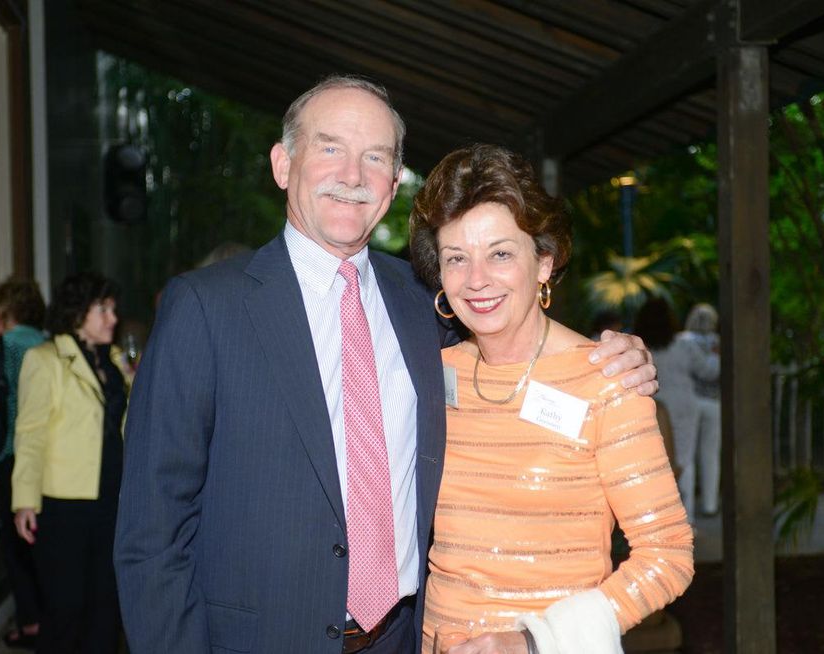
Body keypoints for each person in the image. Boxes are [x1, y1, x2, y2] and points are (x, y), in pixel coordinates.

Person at [114, 75, 657, 654]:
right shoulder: (205, 307)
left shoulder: (427, 301)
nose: (352, 175)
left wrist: (617, 356)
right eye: (330, 148)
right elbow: (152, 535)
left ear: (394, 183)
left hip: (405, 637)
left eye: (374, 157)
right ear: (282, 165)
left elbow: (519, 340)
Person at [408, 144, 692, 654]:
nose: (476, 280)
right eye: (457, 258)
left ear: (543, 261)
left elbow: (668, 555)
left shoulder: (607, 380)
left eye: (500, 253)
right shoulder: (432, 374)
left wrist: (534, 642)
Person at [12, 272, 129, 654]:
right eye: (103, 309)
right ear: (78, 312)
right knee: (65, 611)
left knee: (106, 610)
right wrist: (25, 501)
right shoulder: (45, 359)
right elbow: (29, 434)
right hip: (65, 505)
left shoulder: (115, 363)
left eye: (112, 308)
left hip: (112, 501)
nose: (113, 317)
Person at [0, 277, 46, 650]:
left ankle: (31, 622)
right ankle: (53, 615)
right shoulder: (49, 344)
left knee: (17, 544)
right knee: (46, 539)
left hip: (12, 453)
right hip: (49, 456)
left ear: (3, 311)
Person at [634, 297, 719, 523]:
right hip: (683, 406)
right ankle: (687, 520)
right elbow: (708, 371)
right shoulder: (683, 345)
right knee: (684, 461)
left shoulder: (638, 346)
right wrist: (717, 354)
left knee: (654, 462)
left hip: (652, 404)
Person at [682, 303, 721, 516]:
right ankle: (710, 504)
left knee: (687, 454)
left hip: (691, 401)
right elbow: (714, 372)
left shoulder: (684, 341)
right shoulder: (717, 342)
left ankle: (688, 509)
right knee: (710, 454)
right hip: (713, 402)